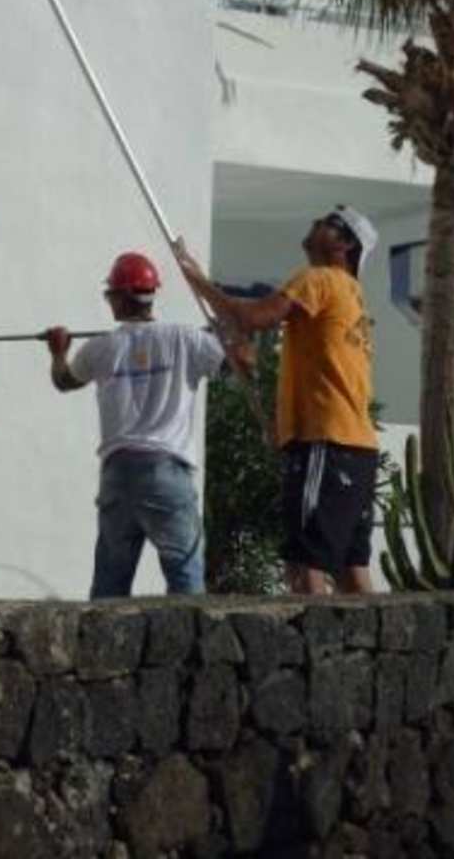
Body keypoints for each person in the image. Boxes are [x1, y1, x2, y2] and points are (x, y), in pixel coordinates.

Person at [176, 205, 379, 596]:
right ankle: (380, 637)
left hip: (326, 441)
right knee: (352, 571)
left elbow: (253, 317)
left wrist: (197, 280)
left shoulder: (318, 278)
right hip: (357, 447)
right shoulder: (353, 294)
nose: (315, 222)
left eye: (328, 223)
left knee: (304, 567)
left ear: (345, 245)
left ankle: (311, 636)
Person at [46, 251, 226, 599]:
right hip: (166, 473)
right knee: (185, 580)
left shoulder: (101, 347)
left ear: (120, 297)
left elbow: (64, 381)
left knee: (110, 586)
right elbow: (237, 362)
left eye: (109, 295)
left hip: (117, 473)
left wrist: (58, 351)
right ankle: (189, 636)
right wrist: (224, 333)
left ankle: (101, 637)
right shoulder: (186, 339)